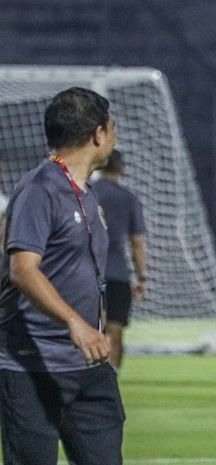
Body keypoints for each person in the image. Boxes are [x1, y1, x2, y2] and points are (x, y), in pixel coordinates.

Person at [0, 87, 124, 464]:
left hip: (87, 366)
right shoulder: (40, 188)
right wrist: (74, 321)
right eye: (112, 127)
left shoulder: (84, 193)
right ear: (98, 134)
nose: (114, 136)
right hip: (31, 365)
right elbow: (22, 270)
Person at [93, 149, 147, 370]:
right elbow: (137, 242)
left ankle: (91, 379)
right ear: (121, 168)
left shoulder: (87, 192)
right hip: (118, 272)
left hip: (89, 271)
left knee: (94, 329)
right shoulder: (128, 198)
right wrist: (142, 276)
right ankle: (111, 380)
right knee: (115, 331)